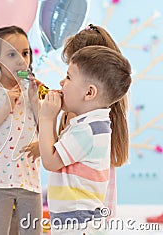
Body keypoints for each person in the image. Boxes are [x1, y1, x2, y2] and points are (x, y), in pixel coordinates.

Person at [38, 45, 132, 234]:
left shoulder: (87, 130)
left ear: (89, 93)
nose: (61, 82)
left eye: (69, 77)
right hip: (77, 223)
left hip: (79, 225)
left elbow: (50, 161)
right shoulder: (91, 125)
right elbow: (58, 154)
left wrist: (47, 118)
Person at [0, 26, 42, 235]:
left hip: (30, 181)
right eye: (12, 54)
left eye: (25, 53)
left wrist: (36, 101)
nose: (21, 60)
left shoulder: (34, 89)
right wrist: (4, 109)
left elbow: (45, 129)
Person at [59, 24, 129, 218]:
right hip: (96, 207)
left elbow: (54, 156)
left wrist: (46, 116)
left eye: (71, 73)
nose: (64, 81)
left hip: (81, 212)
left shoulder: (83, 118)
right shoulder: (106, 113)